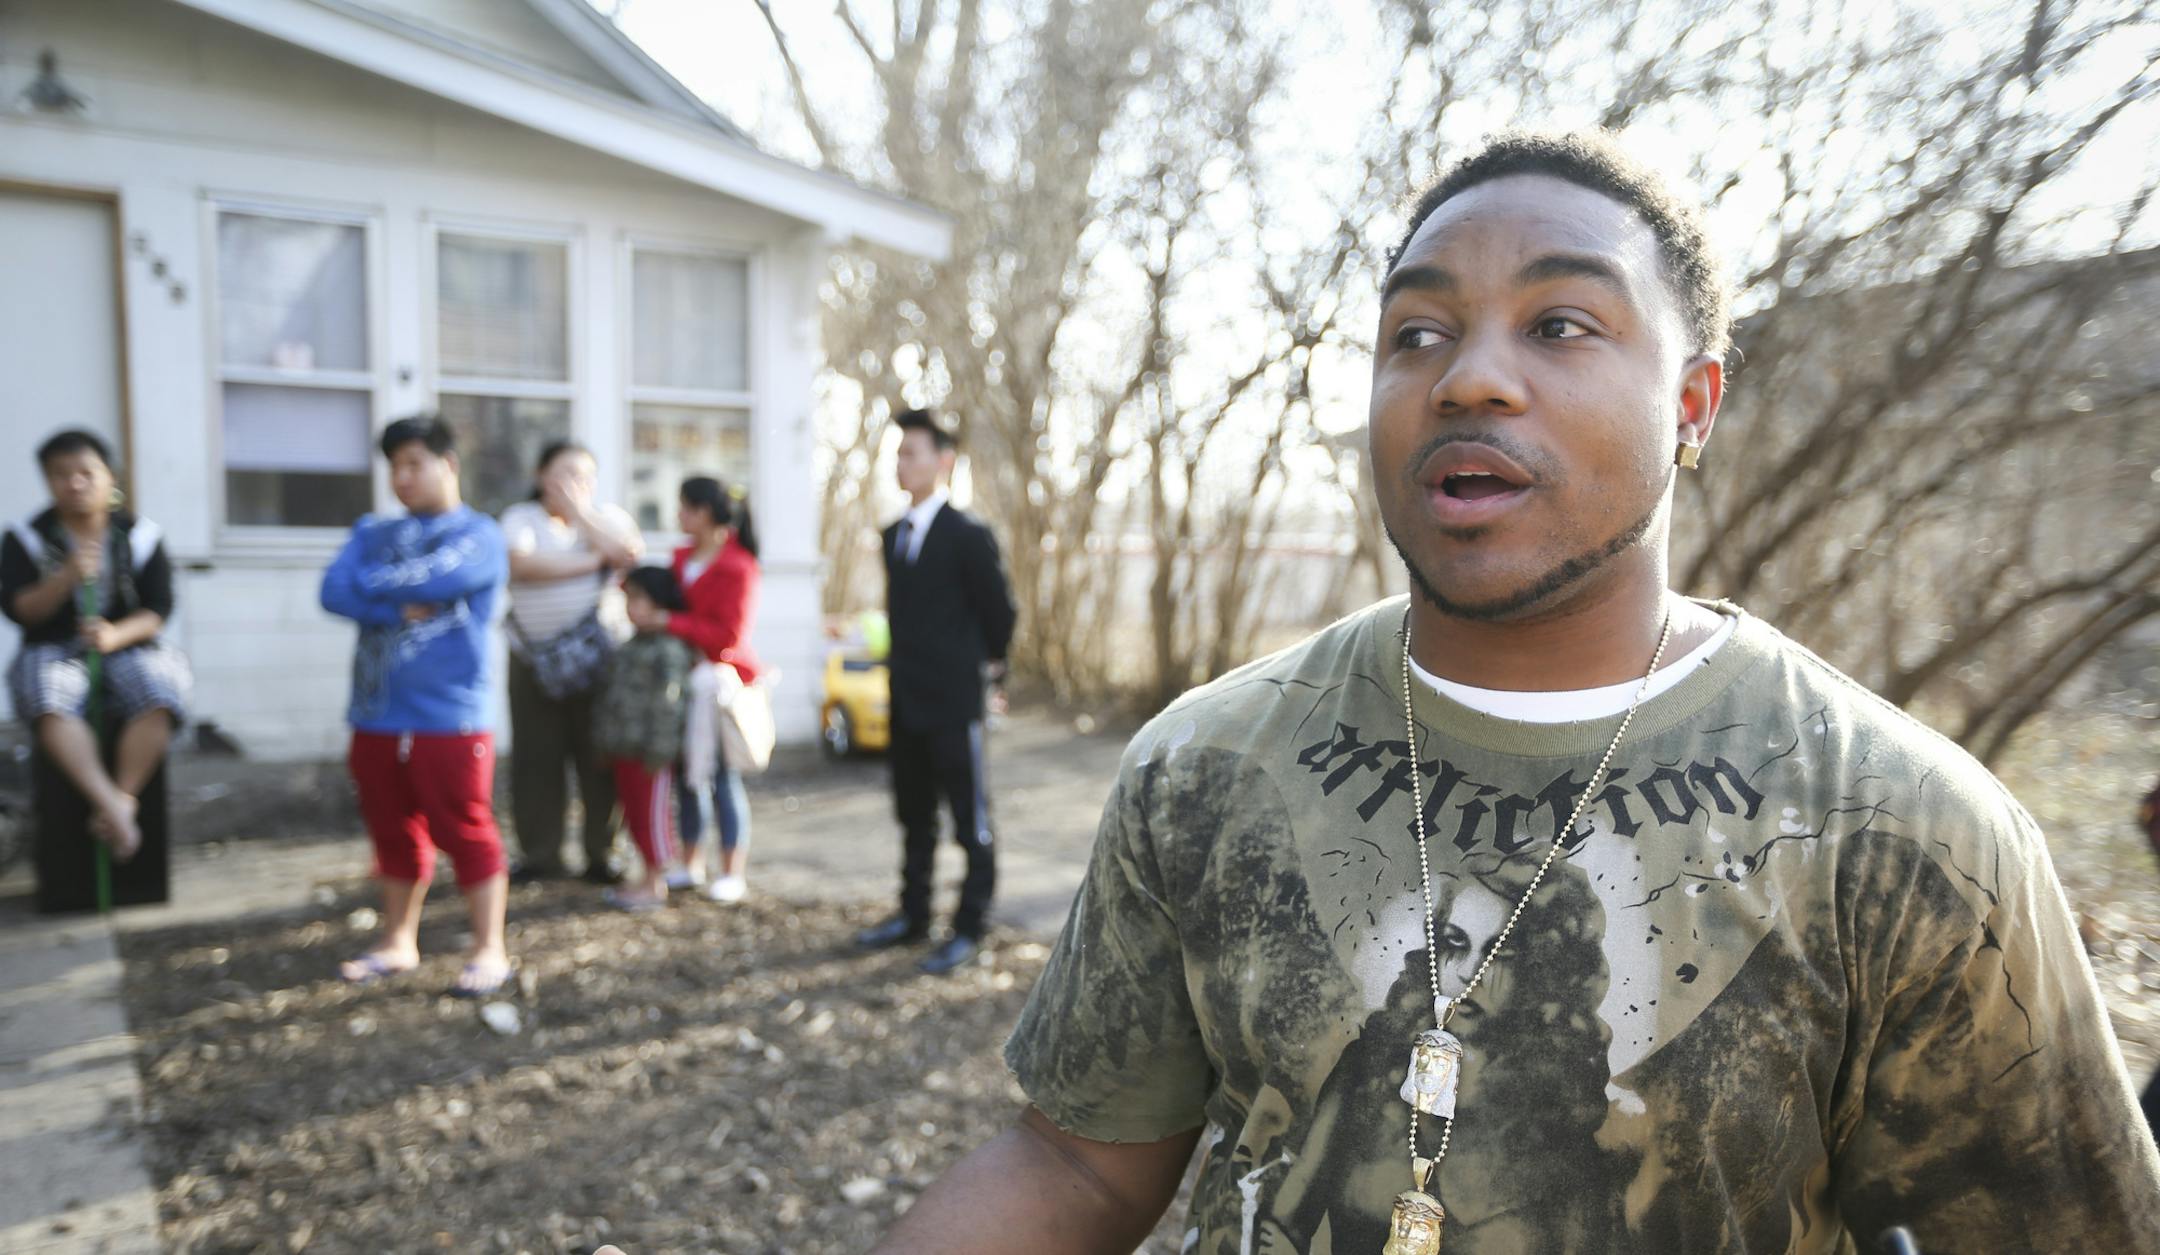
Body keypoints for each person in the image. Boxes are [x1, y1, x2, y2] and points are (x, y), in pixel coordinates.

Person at [857, 131, 2160, 1252]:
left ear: (1695, 403)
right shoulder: (1204, 764)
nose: (1468, 375)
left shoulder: (1907, 829)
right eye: (1416, 331)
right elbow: (1078, 1160)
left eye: (1562, 323)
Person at [321, 416, 512, 997]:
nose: (401, 478)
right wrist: (391, 607)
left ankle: (489, 948)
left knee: (466, 828)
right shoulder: (371, 530)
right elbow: (332, 591)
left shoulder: (481, 534)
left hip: (450, 716)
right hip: (376, 714)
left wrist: (373, 587)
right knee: (391, 830)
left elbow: (437, 578)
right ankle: (397, 941)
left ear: (447, 464)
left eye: (413, 464)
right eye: (393, 467)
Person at [854, 409, 1018, 977]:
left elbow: (1000, 614)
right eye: (898, 453)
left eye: (913, 452)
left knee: (970, 818)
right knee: (914, 814)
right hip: (906, 700)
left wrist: (989, 676)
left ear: (943, 461)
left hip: (955, 703)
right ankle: (913, 915)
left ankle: (970, 926)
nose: (903, 463)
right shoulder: (893, 535)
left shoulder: (969, 534)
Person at [2, 429, 191, 860]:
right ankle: (105, 800)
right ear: (48, 482)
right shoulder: (26, 537)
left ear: (110, 477)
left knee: (161, 687)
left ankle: (121, 799)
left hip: (124, 643)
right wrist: (65, 576)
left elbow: (158, 608)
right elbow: (19, 609)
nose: (75, 483)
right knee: (47, 696)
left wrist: (113, 635)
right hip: (54, 647)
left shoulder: (140, 535)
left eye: (86, 472)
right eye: (61, 475)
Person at [498, 440, 642, 886]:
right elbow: (519, 565)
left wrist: (582, 517)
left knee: (599, 757)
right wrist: (592, 561)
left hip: (599, 660)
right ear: (542, 476)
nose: (575, 484)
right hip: (532, 661)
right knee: (535, 760)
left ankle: (604, 853)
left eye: (585, 476)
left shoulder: (608, 519)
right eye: (565, 473)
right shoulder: (520, 519)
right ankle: (540, 854)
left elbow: (629, 555)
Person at [639, 477, 759, 903]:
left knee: (722, 777)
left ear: (705, 512)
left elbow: (728, 634)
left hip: (719, 686)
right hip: (682, 682)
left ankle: (731, 870)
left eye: (686, 508)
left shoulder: (738, 566)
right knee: (686, 775)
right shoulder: (681, 559)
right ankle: (690, 863)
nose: (679, 516)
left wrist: (668, 624)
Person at [591, 566, 695, 912]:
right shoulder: (631, 645)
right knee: (634, 816)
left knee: (652, 816)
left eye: (638, 598)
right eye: (627, 599)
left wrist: (661, 750)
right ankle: (643, 878)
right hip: (625, 749)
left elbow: (670, 705)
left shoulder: (668, 650)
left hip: (650, 754)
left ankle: (655, 883)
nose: (630, 607)